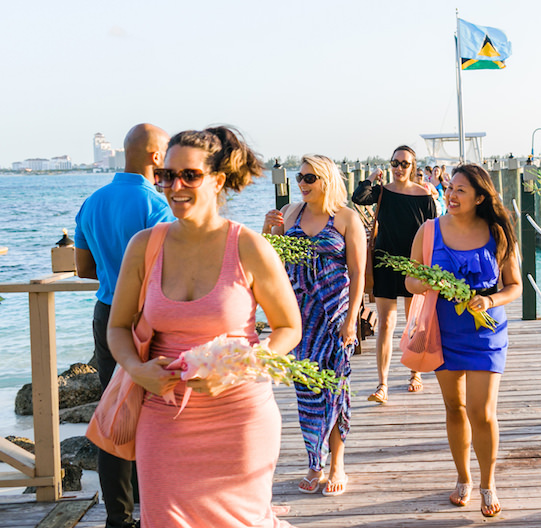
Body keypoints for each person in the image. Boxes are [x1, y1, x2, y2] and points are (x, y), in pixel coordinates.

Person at [107, 126, 302, 528]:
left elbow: (288, 328)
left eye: (189, 175)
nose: (174, 186)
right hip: (165, 417)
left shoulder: (248, 245)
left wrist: (238, 368)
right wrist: (137, 369)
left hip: (239, 417)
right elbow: (117, 328)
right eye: (165, 175)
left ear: (217, 180)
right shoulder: (145, 246)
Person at [405, 164, 522, 518]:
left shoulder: (498, 232)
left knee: (482, 412)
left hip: (486, 331)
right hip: (442, 329)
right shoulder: (429, 230)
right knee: (454, 408)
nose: (451, 196)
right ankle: (463, 477)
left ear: (480, 197)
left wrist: (489, 301)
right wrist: (428, 282)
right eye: (450, 188)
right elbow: (410, 281)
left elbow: (513, 285)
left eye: (461, 191)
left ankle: (488, 483)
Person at [74, 123, 174, 528]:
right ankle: (153, 509)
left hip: (106, 314)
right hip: (149, 320)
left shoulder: (93, 201)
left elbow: (84, 269)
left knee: (115, 410)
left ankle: (118, 517)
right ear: (155, 157)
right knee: (154, 414)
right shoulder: (157, 207)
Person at [262, 154, 365, 496]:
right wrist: (266, 229)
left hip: (334, 319)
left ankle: (337, 462)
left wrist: (351, 321)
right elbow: (270, 261)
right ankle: (313, 462)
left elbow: (359, 274)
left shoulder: (347, 218)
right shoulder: (291, 213)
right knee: (306, 390)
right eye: (299, 178)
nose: (302, 184)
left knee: (335, 389)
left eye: (309, 178)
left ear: (326, 180)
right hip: (298, 318)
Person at [351, 145, 437, 402]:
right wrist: (372, 176)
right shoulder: (381, 193)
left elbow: (434, 232)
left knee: (414, 323)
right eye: (395, 163)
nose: (399, 168)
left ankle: (415, 374)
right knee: (386, 323)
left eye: (405, 164)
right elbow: (358, 196)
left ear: (413, 167)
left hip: (414, 265)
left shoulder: (424, 196)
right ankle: (382, 384)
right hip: (385, 262)